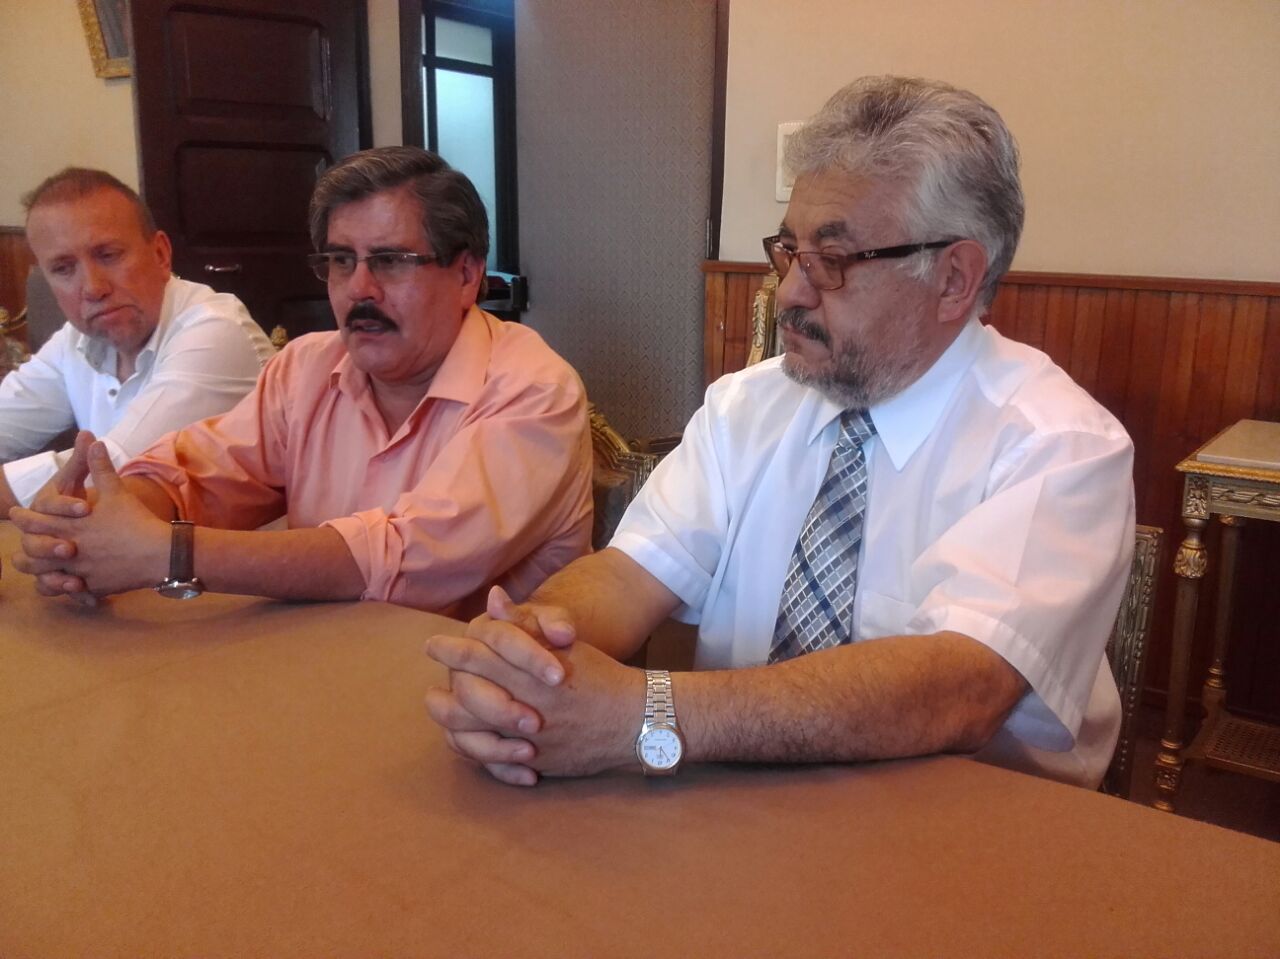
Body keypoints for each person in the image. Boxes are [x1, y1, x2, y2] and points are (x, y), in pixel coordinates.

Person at [423, 76, 1136, 789]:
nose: (791, 291)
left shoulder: (1058, 445)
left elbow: (957, 688)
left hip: (972, 825)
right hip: (736, 805)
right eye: (791, 251)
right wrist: (529, 653)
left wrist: (650, 715)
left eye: (833, 262)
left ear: (953, 279)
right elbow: (629, 574)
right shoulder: (748, 406)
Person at [10, 147, 593, 616]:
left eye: (391, 261)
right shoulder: (307, 368)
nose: (359, 289)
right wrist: (101, 523)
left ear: (466, 274)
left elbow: (405, 558)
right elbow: (198, 476)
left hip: (484, 686)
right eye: (340, 261)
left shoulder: (533, 389)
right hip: (321, 654)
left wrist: (172, 553)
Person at [0, 168, 274, 513]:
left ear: (160, 254)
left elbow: (116, 473)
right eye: (63, 269)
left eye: (108, 255)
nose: (93, 288)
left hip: (230, 546)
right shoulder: (75, 340)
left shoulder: (217, 330)